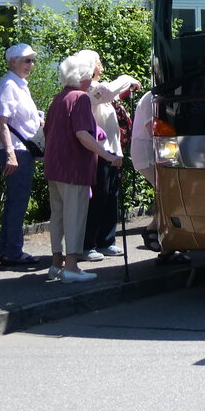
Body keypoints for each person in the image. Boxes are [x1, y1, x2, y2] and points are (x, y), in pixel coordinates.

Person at [43, 52, 123, 283]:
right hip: (74, 167)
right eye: (89, 74)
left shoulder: (59, 98)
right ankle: (71, 267)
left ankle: (56, 263)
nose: (91, 79)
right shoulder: (80, 98)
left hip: (55, 166)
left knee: (57, 216)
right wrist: (108, 155)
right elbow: (82, 135)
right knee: (74, 217)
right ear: (84, 76)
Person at [79, 50, 139, 261]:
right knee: (98, 198)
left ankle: (106, 241)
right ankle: (88, 244)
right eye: (98, 62)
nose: (101, 66)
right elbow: (109, 91)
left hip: (112, 150)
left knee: (110, 196)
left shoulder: (98, 89)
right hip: (98, 151)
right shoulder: (88, 89)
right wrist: (128, 79)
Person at [0, 43, 44, 268]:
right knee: (18, 201)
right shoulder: (8, 86)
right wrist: (11, 154)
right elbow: (2, 123)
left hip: (21, 149)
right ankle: (12, 250)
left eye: (31, 60)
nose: (30, 64)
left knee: (18, 201)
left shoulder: (19, 85)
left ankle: (7, 249)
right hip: (16, 150)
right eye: (25, 60)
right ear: (12, 62)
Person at [130, 91, 188, 265]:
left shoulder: (157, 97)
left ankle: (157, 234)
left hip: (153, 155)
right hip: (148, 156)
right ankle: (163, 244)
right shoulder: (150, 98)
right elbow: (153, 130)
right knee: (169, 197)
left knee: (168, 197)